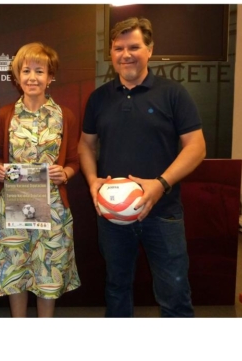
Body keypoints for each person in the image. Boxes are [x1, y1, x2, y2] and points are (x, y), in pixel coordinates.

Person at [78, 17, 206, 317]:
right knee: (117, 287)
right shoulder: (99, 98)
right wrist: (93, 180)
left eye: (134, 46)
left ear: (149, 49)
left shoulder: (173, 93)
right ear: (111, 53)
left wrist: (160, 184)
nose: (126, 54)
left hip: (163, 212)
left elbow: (197, 146)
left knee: (174, 292)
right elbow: (85, 144)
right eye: (118, 48)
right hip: (113, 215)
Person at [0, 42, 81, 317]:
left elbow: (74, 161)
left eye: (40, 71)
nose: (32, 77)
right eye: (26, 70)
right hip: (13, 206)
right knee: (15, 270)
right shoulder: (6, 115)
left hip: (52, 208)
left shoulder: (65, 116)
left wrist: (67, 173)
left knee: (47, 272)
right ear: (17, 76)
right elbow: (0, 157)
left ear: (51, 77)